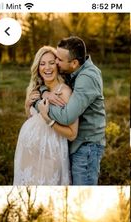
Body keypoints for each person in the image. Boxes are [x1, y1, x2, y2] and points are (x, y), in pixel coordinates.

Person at [33, 36, 106, 185]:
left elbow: (67, 116)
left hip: (86, 147)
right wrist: (44, 91)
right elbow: (50, 82)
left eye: (58, 60)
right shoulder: (74, 70)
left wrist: (39, 105)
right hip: (74, 145)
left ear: (74, 63)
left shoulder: (87, 78)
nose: (56, 63)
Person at [13, 46, 78, 185]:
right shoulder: (35, 89)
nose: (47, 68)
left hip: (50, 154)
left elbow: (72, 134)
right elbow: (32, 121)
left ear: (58, 65)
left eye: (51, 63)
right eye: (42, 64)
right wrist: (27, 106)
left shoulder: (65, 92)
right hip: (28, 154)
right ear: (38, 68)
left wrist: (48, 118)